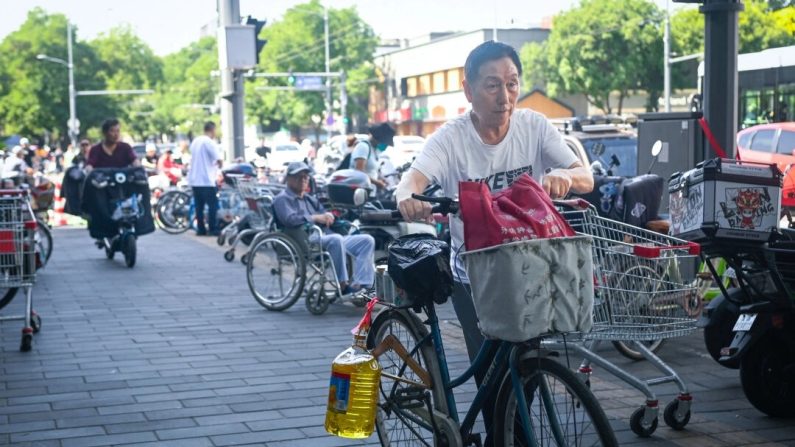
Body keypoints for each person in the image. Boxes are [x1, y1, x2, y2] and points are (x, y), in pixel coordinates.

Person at [395, 40, 594, 440]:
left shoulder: (533, 126)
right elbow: (413, 179)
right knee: (493, 377)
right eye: (491, 85)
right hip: (476, 272)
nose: (504, 97)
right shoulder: (451, 139)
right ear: (469, 91)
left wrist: (565, 177)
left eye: (512, 84)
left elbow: (584, 176)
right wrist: (407, 198)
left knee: (527, 370)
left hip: (531, 267)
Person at [273, 161, 375, 295]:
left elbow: (322, 213)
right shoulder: (282, 199)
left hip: (325, 236)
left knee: (367, 240)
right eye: (299, 176)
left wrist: (328, 216)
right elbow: (289, 220)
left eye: (305, 177)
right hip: (304, 239)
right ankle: (343, 285)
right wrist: (315, 218)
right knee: (336, 239)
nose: (303, 180)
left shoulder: (309, 199)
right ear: (289, 179)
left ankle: (362, 285)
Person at [187, 121, 222, 236]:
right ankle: (213, 228)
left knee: (199, 206)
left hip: (195, 180)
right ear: (212, 130)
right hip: (206, 179)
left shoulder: (195, 141)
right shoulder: (209, 142)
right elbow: (218, 159)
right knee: (213, 205)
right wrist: (220, 166)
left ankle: (200, 229)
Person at [349, 123, 395, 189]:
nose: (386, 146)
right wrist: (376, 182)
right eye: (384, 142)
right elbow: (359, 172)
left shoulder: (374, 150)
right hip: (360, 191)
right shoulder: (363, 147)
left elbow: (372, 171)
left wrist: (381, 179)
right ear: (377, 139)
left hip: (371, 191)